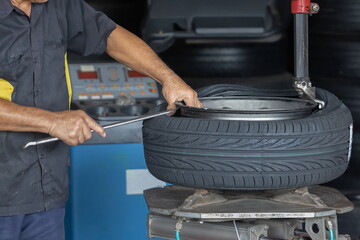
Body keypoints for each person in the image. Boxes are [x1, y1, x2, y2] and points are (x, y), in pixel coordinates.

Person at [0, 0, 202, 239]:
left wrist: (168, 78)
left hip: (46, 190)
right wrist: (52, 122)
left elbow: (110, 36)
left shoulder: (59, 5)